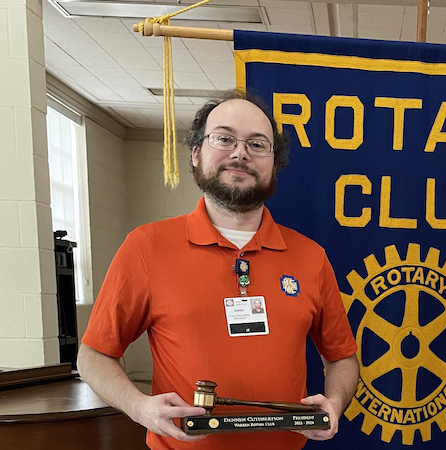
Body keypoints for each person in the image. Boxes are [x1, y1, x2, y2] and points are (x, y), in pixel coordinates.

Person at [78, 90, 359, 450]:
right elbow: (93, 355)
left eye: (258, 144)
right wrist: (139, 408)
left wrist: (334, 402)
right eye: (224, 138)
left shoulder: (311, 257)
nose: (240, 153)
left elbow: (342, 357)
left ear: (274, 164)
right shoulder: (146, 246)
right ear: (196, 153)